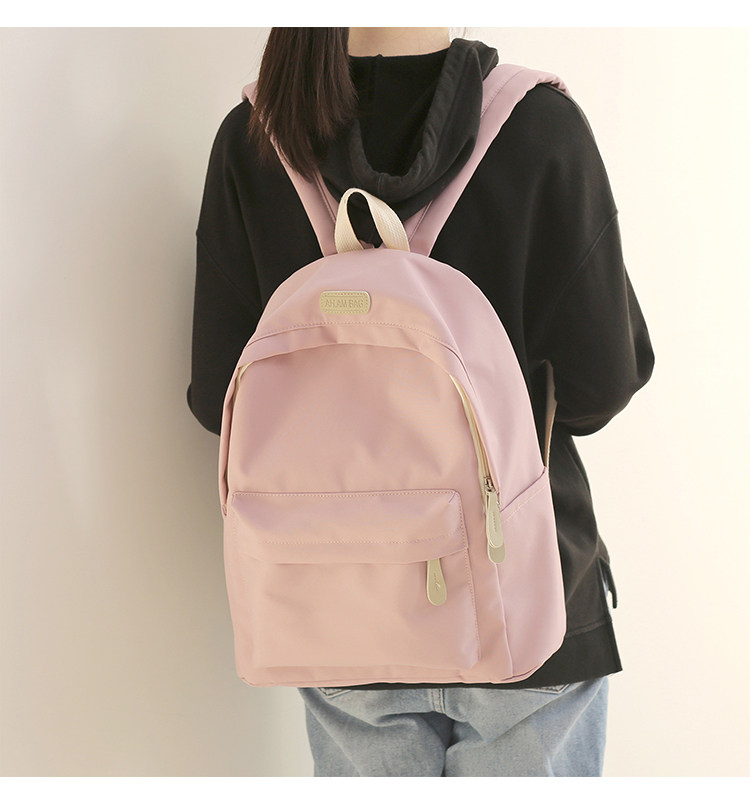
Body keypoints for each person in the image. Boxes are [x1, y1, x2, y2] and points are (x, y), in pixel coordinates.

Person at [187, 27, 655, 777]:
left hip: (341, 617)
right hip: (527, 609)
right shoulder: (538, 126)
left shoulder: (255, 139)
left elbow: (221, 401)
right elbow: (600, 387)